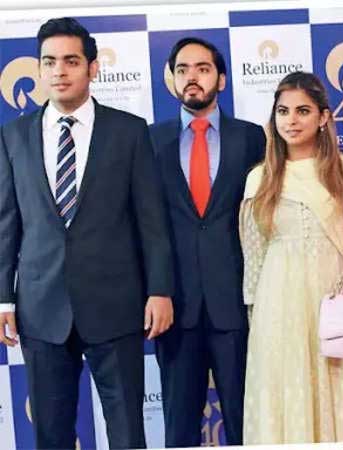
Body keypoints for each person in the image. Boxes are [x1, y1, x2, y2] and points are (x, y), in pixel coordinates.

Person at [0, 17, 174, 450]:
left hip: (116, 306)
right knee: (51, 435)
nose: (59, 71)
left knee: (127, 433)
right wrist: (4, 298)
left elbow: (151, 220)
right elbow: (7, 224)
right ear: (39, 69)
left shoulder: (129, 131)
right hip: (41, 309)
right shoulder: (13, 136)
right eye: (49, 62)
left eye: (71, 61)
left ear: (93, 68)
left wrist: (160, 290)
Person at [240, 71, 343, 444]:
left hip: (336, 297)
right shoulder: (260, 178)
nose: (291, 121)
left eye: (303, 111)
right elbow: (253, 254)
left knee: (339, 386)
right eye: (283, 112)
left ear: (323, 117)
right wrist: (255, 316)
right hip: (279, 304)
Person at [150, 37, 266, 447]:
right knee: (179, 428)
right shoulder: (149, 141)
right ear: (172, 79)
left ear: (222, 79)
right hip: (174, 309)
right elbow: (144, 226)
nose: (192, 78)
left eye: (202, 68)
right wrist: (155, 291)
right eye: (182, 70)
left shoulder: (252, 138)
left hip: (235, 304)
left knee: (245, 424)